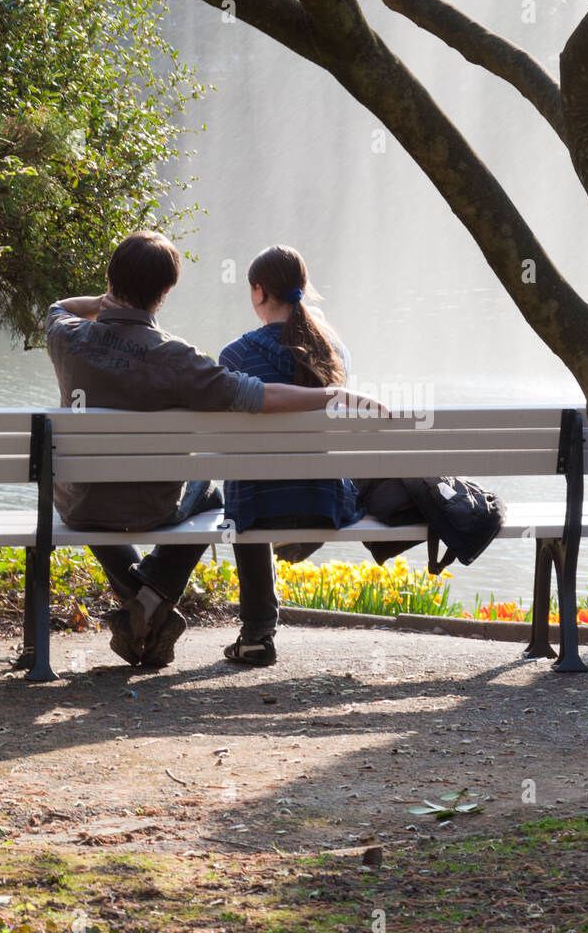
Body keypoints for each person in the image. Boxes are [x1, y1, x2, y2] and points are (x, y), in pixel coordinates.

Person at [45, 231, 380, 669]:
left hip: (80, 503)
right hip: (152, 506)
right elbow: (257, 396)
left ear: (110, 280)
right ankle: (151, 599)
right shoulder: (178, 358)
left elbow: (56, 309)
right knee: (210, 491)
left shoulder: (67, 337)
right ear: (164, 295)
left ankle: (144, 602)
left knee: (96, 491)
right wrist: (329, 396)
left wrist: (102, 301)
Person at [217, 245, 363, 667]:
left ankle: (257, 634)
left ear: (259, 292)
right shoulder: (336, 352)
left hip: (260, 505)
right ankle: (305, 524)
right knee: (277, 475)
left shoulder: (235, 355)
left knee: (242, 478)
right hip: (324, 499)